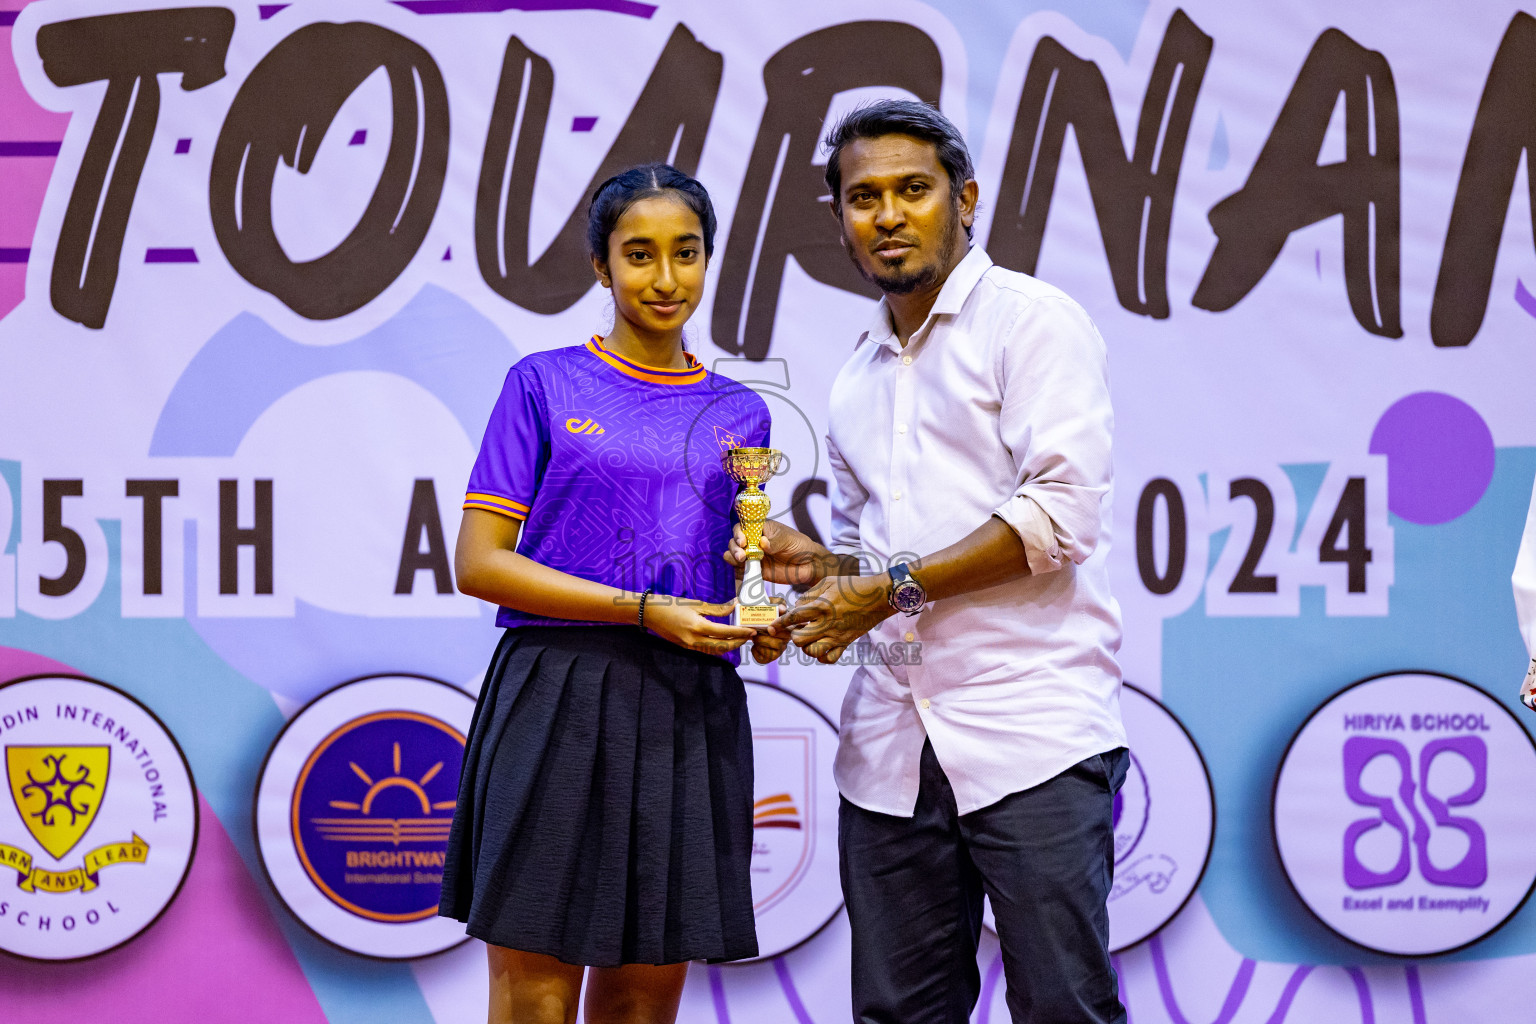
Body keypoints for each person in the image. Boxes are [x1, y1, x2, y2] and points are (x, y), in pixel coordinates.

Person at [729, 101, 1130, 1023]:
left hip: (1030, 735)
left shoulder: (1031, 323)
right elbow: (874, 564)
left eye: (914, 189)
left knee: (1064, 1008)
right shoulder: (856, 372)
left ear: (967, 200)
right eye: (863, 197)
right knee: (899, 1016)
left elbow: (1057, 519)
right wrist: (817, 575)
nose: (889, 214)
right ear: (839, 221)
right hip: (891, 754)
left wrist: (883, 589)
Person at [441, 164, 776, 1024]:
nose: (666, 279)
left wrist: (765, 607)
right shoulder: (544, 384)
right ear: (600, 266)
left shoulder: (743, 414)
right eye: (639, 255)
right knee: (536, 999)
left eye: (687, 254)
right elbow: (478, 562)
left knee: (641, 1002)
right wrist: (636, 608)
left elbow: (740, 556)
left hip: (685, 706)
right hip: (556, 692)